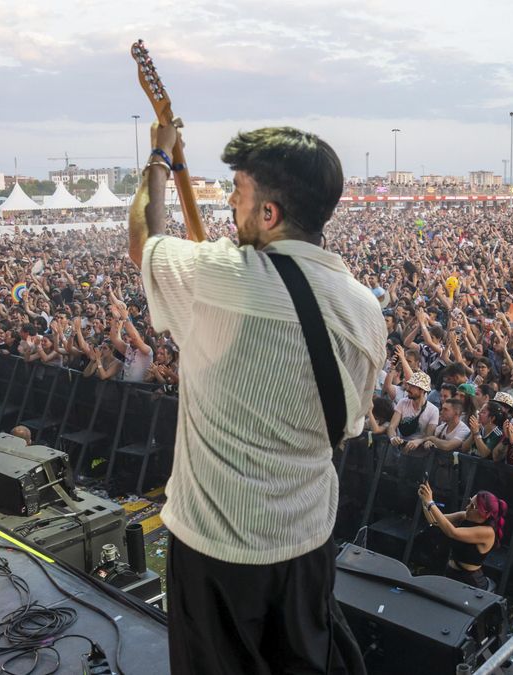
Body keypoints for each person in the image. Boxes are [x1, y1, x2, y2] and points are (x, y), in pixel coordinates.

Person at [131, 121, 382, 674]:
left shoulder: (219, 275)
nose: (231, 210)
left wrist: (158, 155)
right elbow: (350, 427)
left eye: (239, 195)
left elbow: (144, 243)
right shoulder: (366, 311)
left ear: (268, 214)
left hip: (215, 553)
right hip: (307, 546)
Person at [417, 483, 506, 590]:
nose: (467, 507)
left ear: (486, 514)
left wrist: (431, 503)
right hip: (451, 573)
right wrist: (424, 500)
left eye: (473, 506)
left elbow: (452, 532)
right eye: (469, 502)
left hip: (469, 582)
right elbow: (434, 520)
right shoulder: (465, 516)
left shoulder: (487, 532)